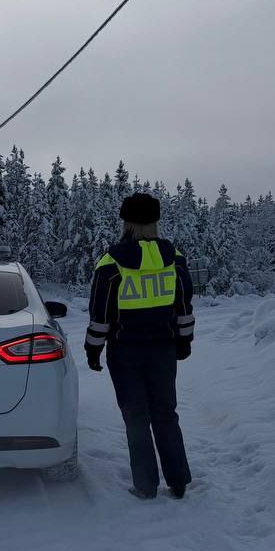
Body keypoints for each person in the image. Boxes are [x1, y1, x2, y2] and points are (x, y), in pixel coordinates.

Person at [85, 191, 194, 500]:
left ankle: (145, 486)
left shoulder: (111, 261)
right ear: (156, 221)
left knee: (136, 416)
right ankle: (178, 481)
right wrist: (185, 341)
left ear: (127, 221)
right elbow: (184, 305)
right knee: (166, 413)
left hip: (125, 352)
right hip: (163, 349)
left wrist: (93, 349)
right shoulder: (174, 257)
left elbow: (100, 313)